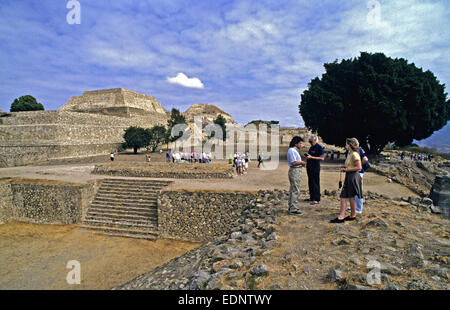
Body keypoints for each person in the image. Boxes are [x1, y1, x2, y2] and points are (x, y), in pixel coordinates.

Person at [330, 138, 363, 223]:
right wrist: (345, 168)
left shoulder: (354, 154)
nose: (345, 145)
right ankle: (352, 215)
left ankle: (341, 217)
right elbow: (351, 165)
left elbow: (359, 167)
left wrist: (346, 170)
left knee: (343, 196)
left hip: (352, 176)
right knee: (351, 196)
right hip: (350, 176)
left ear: (350, 144)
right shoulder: (350, 153)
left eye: (346, 143)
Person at [287, 136, 307, 215]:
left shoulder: (294, 150)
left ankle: (292, 206)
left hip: (296, 170)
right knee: (295, 190)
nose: (301, 145)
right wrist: (301, 162)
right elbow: (293, 162)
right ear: (296, 143)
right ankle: (293, 209)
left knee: (293, 189)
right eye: (300, 143)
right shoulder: (292, 150)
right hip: (295, 170)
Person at [306, 135, 325, 205]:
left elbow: (322, 158)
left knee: (315, 182)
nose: (309, 141)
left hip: (315, 167)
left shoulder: (319, 147)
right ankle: (312, 197)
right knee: (310, 182)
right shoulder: (311, 147)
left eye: (310, 140)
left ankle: (317, 199)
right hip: (309, 167)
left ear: (314, 139)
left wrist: (312, 157)